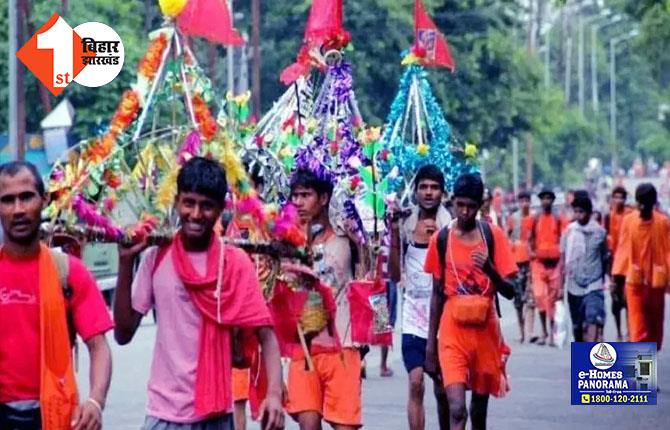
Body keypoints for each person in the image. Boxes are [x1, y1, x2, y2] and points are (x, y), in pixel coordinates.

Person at [114, 157, 284, 430]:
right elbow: (122, 334)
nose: (195, 214)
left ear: (220, 209)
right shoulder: (156, 258)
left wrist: (274, 395)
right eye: (189, 202)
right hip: (163, 415)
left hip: (217, 416)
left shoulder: (235, 263)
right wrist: (124, 264)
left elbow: (266, 335)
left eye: (206, 206)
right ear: (177, 201)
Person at [0, 161, 113, 430]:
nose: (18, 209)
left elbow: (98, 347)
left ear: (44, 200)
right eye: (7, 200)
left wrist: (95, 401)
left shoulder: (68, 272)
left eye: (26, 197)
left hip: (55, 416)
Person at [424, 173, 517, 430]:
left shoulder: (492, 235)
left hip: (485, 333)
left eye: (471, 206)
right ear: (453, 201)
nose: (465, 211)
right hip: (453, 333)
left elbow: (510, 291)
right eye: (460, 205)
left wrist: (490, 269)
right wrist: (431, 347)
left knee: (478, 412)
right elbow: (436, 294)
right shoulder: (441, 239)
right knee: (456, 410)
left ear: (480, 205)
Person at [286, 168, 361, 430]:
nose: (298, 202)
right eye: (294, 196)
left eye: (306, 195)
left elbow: (322, 287)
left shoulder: (342, 242)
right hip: (303, 347)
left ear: (324, 198)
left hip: (341, 346)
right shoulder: (287, 242)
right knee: (307, 424)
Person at [388, 164, 451, 430]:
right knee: (416, 383)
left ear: (442, 193)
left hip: (444, 319)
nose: (428, 192)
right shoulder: (404, 223)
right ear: (414, 192)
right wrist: (392, 232)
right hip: (413, 319)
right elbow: (393, 274)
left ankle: (594, 390)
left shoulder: (452, 226)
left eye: (434, 187)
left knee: (444, 388)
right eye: (423, 187)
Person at [612, 183, 670, 350]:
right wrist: (616, 279)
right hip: (634, 283)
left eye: (647, 204)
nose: (643, 208)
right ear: (637, 203)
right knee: (638, 332)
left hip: (655, 284)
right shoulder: (629, 221)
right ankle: (642, 374)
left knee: (654, 333)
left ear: (653, 204)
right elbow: (622, 249)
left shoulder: (663, 222)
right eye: (641, 204)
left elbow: (668, 251)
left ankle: (643, 369)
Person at [560, 192, 608, 342]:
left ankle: (591, 355)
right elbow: (563, 259)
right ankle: (583, 355)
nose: (578, 215)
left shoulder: (599, 232)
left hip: (594, 284)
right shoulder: (569, 232)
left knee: (593, 318)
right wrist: (560, 286)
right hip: (574, 285)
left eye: (582, 211)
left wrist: (605, 278)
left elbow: (604, 256)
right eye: (576, 211)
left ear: (589, 213)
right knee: (578, 326)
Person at [529, 188, 567, 346]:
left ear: (552, 201)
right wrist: (531, 253)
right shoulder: (535, 219)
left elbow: (563, 240)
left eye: (549, 198)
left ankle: (552, 334)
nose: (546, 201)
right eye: (543, 198)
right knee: (539, 297)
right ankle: (544, 331)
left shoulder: (558, 219)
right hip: (539, 264)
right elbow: (530, 239)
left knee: (552, 300)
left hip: (554, 264)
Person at [604, 186, 632, 341]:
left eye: (621, 197)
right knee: (615, 298)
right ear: (612, 199)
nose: (619, 200)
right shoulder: (608, 216)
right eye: (616, 197)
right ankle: (619, 331)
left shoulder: (631, 215)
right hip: (614, 262)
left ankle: (629, 330)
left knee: (628, 299)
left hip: (628, 262)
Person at [506, 191, 534, 343]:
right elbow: (507, 236)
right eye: (522, 200)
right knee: (518, 300)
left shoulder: (534, 218)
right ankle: (521, 330)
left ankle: (530, 330)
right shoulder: (513, 218)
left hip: (530, 262)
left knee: (530, 297)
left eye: (526, 200)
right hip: (516, 262)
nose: (524, 203)